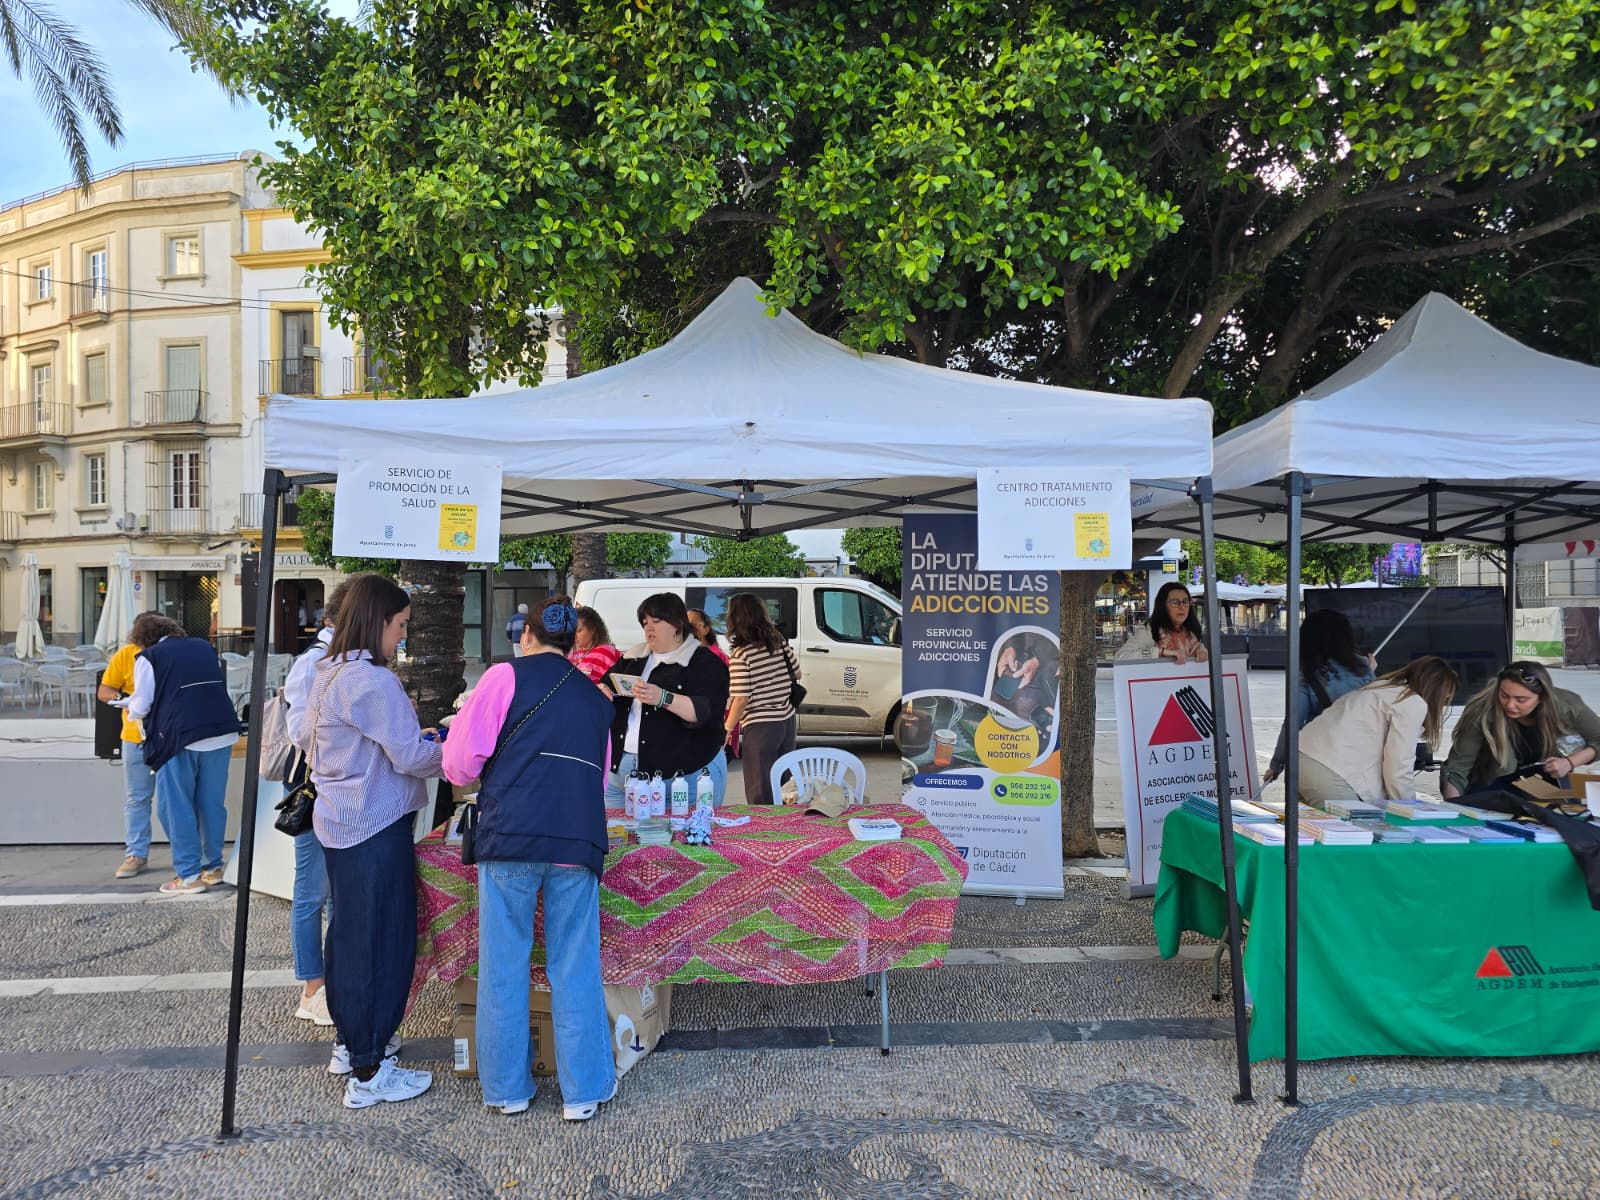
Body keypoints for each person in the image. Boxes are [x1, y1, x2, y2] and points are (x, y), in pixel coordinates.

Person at [444, 597, 617, 1121]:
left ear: (526, 637)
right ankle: (583, 1092)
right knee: (575, 966)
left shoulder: (502, 678)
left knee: (503, 966)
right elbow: (602, 778)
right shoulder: (596, 698)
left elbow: (457, 766)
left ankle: (507, 1090)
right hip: (576, 841)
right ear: (573, 644)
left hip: (511, 836)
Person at [295, 573, 442, 1109]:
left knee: (350, 939)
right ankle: (371, 1067)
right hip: (375, 826)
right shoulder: (372, 681)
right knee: (384, 942)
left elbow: (319, 739)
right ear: (378, 619)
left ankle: (350, 1045)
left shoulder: (327, 671)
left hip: (340, 823)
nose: (402, 636)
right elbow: (408, 756)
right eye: (400, 625)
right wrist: (454, 751)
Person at [280, 577, 353, 1028]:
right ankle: (311, 988)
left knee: (331, 893)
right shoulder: (313, 663)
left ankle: (327, 981)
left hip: (337, 787)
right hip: (316, 784)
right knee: (311, 892)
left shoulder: (346, 661)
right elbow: (299, 730)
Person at [125, 615, 240, 894]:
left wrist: (130, 708)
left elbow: (141, 704)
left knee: (175, 807)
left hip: (181, 737)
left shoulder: (149, 657)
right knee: (211, 805)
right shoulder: (202, 646)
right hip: (220, 731)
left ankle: (188, 875)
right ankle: (213, 867)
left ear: (143, 638)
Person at [603, 593, 729, 807]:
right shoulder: (632, 658)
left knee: (684, 837)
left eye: (656, 621)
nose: (648, 628)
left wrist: (662, 697)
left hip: (684, 775)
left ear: (677, 623)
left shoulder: (704, 662)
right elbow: (607, 684)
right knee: (617, 837)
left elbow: (704, 712)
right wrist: (602, 689)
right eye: (644, 623)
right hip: (621, 775)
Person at [1296, 656, 1459, 806]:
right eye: (1445, 697)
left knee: (1310, 833)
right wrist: (1409, 809)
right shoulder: (1412, 703)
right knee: (1353, 834)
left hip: (1301, 758)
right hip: (1330, 770)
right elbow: (1398, 765)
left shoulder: (1380, 687)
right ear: (1436, 691)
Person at [1441, 661, 1600, 799]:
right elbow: (1458, 766)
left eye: (1521, 700)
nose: (1510, 705)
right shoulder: (1482, 711)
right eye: (1504, 695)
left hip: (1546, 784)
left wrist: (1569, 762)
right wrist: (1455, 806)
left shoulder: (1567, 706)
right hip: (1493, 785)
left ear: (1541, 699)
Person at [1263, 609, 1377, 783]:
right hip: (1362, 761)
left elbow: (1293, 722)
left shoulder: (1306, 672)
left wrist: (1277, 765)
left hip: (1320, 758)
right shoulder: (1364, 667)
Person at [98, 611, 163, 879]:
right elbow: (104, 691)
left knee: (176, 800)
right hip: (135, 737)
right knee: (137, 797)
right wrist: (124, 698)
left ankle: (190, 858)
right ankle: (136, 854)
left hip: (168, 737)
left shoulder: (168, 654)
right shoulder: (125, 655)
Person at [723, 593, 801, 805]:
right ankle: (789, 829)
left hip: (761, 727)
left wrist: (727, 729)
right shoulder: (779, 642)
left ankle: (765, 833)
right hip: (787, 720)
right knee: (785, 785)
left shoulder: (741, 654)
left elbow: (741, 698)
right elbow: (798, 674)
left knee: (760, 789)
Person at [1115, 583, 1208, 665]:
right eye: (1175, 602)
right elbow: (1121, 657)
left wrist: (1202, 652)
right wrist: (1160, 652)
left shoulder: (1191, 634)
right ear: (1163, 606)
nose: (1181, 607)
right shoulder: (1149, 632)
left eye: (1185, 602)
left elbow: (1201, 649)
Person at [687, 608, 737, 757]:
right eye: (684, 623)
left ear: (706, 628)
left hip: (715, 727)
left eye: (694, 624)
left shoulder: (717, 659)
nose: (688, 628)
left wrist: (727, 728)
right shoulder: (686, 654)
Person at [565, 605, 622, 686]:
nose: (573, 635)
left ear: (592, 629)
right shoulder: (572, 654)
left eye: (578, 631)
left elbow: (616, 686)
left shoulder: (606, 653)